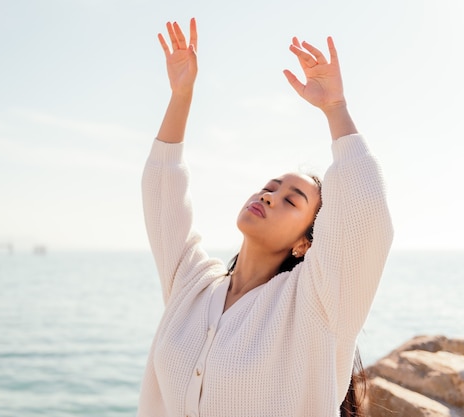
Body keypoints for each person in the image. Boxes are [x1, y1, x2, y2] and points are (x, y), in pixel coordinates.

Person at [138, 18, 393, 417]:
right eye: (271, 186)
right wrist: (181, 95)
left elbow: (365, 211)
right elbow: (162, 190)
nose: (270, 196)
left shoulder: (317, 301)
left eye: (292, 201)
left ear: (305, 242)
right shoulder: (191, 285)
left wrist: (335, 109)